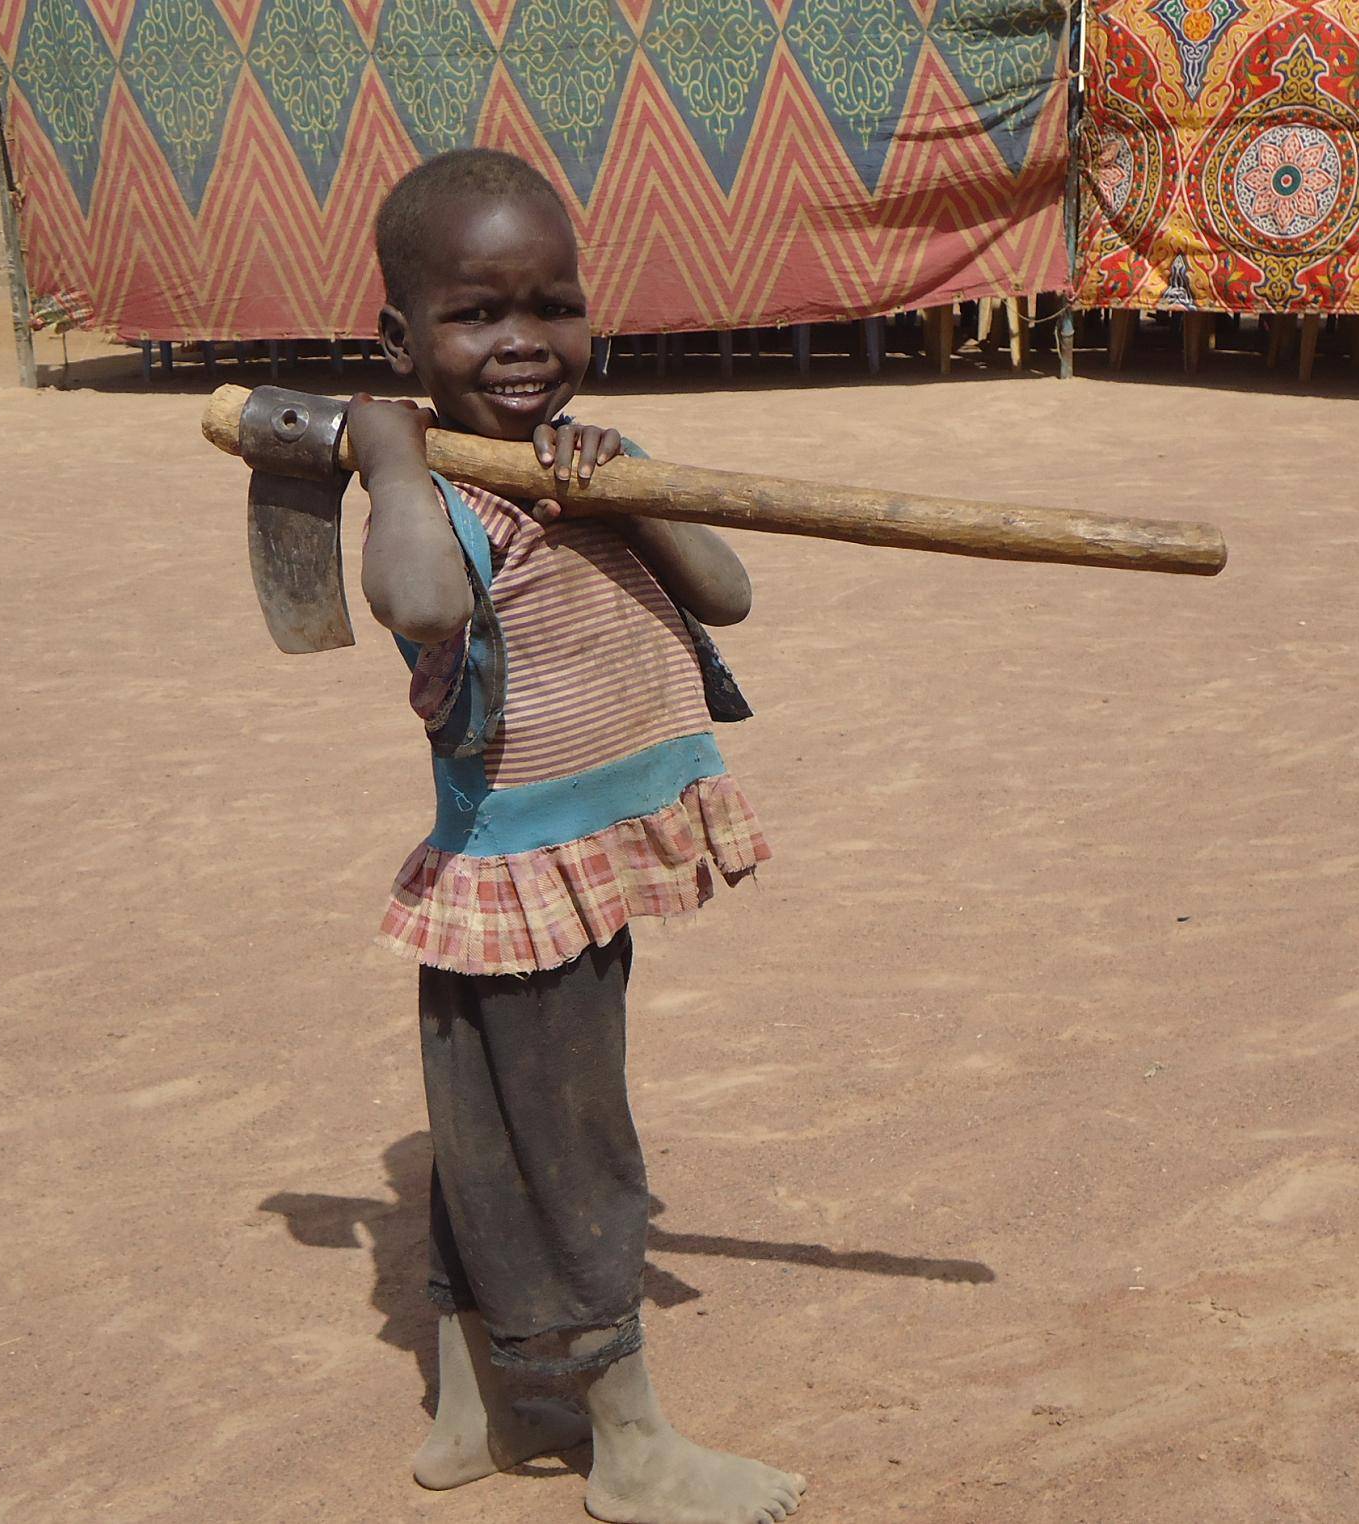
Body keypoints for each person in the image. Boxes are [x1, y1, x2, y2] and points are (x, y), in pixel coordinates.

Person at [342, 147, 807, 1524]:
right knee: (570, 1149)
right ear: (402, 339)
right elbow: (423, 610)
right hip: (511, 884)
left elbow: (725, 591)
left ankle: (471, 1412)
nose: (525, 343)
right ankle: (632, 1445)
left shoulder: (599, 464)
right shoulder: (434, 500)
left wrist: (626, 488)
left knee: (493, 1148)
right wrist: (391, 457)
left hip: (583, 868)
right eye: (478, 314)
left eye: (552, 304)